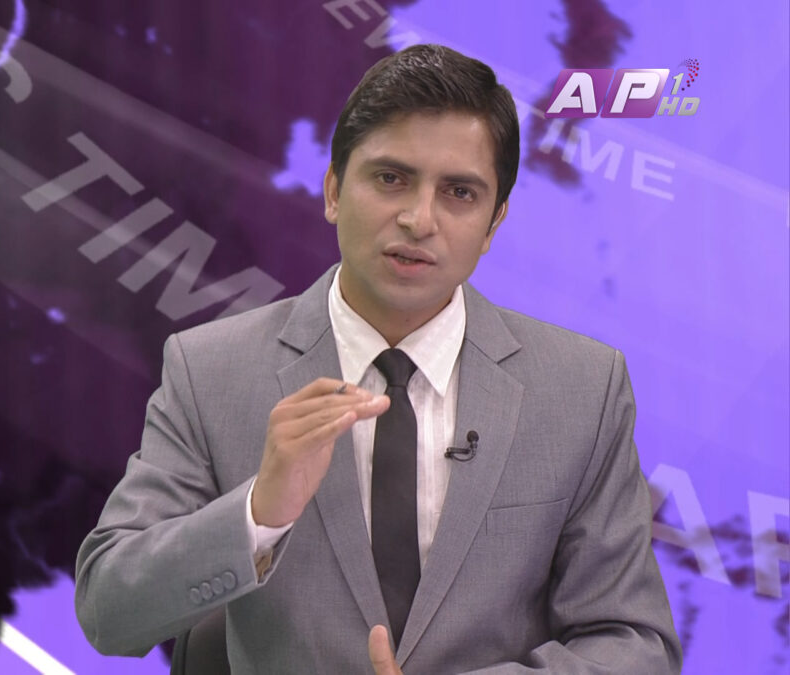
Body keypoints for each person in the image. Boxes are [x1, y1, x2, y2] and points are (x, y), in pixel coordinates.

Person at [73, 44, 682, 674]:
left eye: (459, 193)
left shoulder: (582, 389)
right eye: (391, 179)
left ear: (494, 223)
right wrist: (258, 515)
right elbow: (108, 612)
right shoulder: (211, 371)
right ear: (334, 190)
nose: (419, 220)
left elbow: (634, 645)